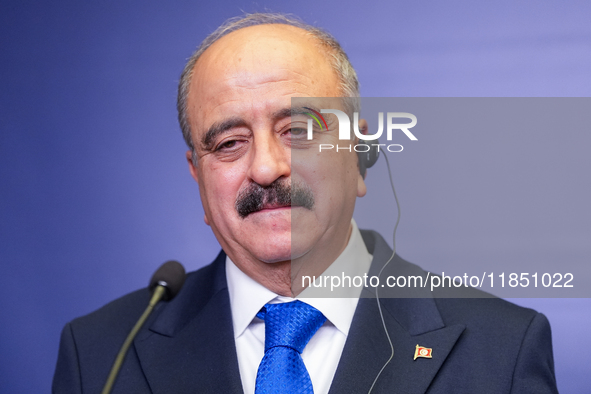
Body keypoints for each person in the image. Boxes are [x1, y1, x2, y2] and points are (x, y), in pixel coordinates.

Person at [53, 13, 558, 393]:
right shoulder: (99, 354)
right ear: (198, 177)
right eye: (229, 143)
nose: (267, 167)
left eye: (297, 130)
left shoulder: (502, 349)